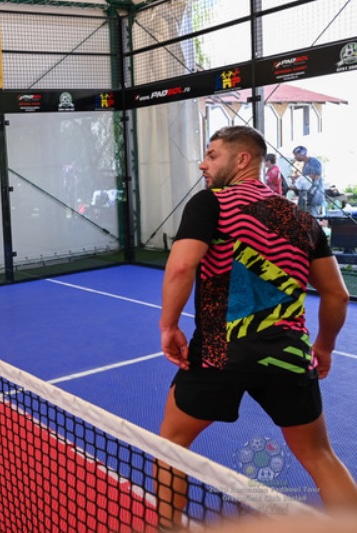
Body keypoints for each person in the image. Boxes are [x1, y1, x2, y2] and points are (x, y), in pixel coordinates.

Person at [156, 126, 357, 528]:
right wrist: (324, 347)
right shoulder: (302, 219)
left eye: (212, 155)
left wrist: (168, 326)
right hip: (288, 352)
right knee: (320, 456)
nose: (203, 164)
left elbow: (181, 266)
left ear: (243, 159)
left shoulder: (210, 203)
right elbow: (336, 295)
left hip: (219, 350)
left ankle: (167, 527)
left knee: (172, 446)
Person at [292, 145, 325, 216]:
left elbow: (317, 176)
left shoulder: (314, 162)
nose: (295, 157)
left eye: (295, 155)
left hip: (315, 196)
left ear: (301, 153)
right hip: (307, 197)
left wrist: (300, 177)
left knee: (313, 218)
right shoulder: (305, 164)